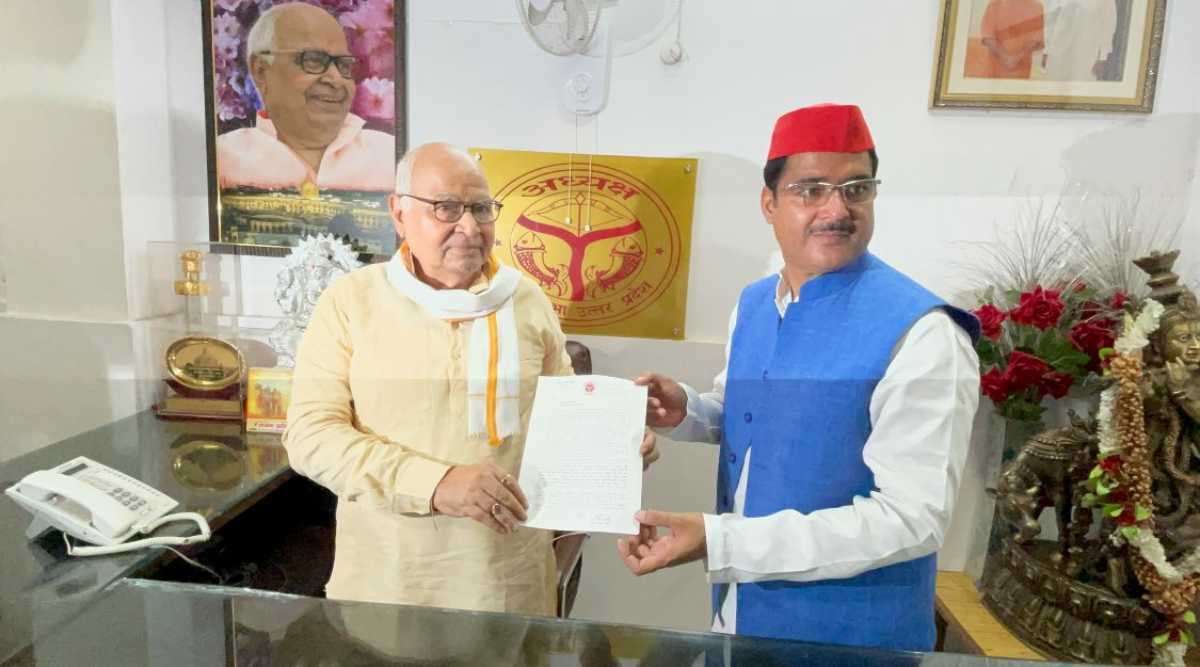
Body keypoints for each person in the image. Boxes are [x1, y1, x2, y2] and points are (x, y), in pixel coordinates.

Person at [618, 104, 982, 652]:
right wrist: (688, 410)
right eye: (810, 190)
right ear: (769, 203)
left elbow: (911, 519)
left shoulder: (925, 332)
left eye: (856, 188)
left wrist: (720, 541)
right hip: (739, 612)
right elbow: (759, 417)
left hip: (851, 640)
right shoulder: (756, 303)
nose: (837, 209)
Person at [283, 142, 657, 614]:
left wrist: (615, 449)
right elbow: (311, 437)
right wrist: (437, 483)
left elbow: (565, 427)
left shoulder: (527, 301)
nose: (469, 226)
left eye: (481, 209)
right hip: (386, 587)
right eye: (446, 207)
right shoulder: (351, 301)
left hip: (507, 587)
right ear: (399, 213)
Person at [216, 2, 393, 193]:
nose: (337, 79)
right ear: (261, 70)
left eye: (344, 65)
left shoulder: (388, 154)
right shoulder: (223, 158)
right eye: (313, 60)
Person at [1041, 0, 1118, 81]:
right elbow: (1051, 20)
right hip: (1057, 54)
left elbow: (1108, 27)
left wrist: (1102, 57)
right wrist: (1046, 51)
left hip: (1085, 56)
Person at [980, 0, 1046, 79]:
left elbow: (1035, 40)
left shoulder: (1037, 7)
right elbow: (988, 37)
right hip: (993, 73)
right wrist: (1010, 59)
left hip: (1021, 74)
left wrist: (1012, 59)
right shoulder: (994, 4)